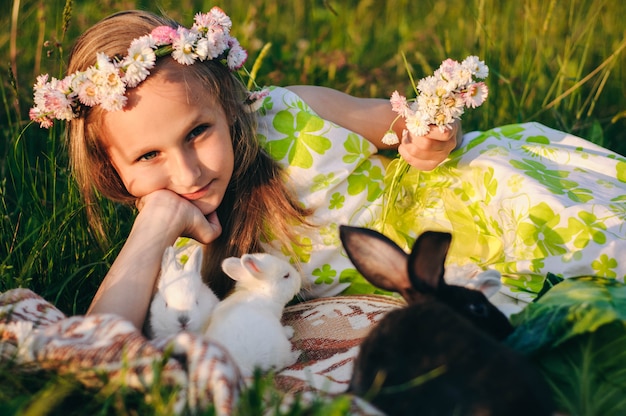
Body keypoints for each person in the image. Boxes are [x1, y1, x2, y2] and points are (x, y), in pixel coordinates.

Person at [30, 7, 626, 333]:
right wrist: (153, 227)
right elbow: (98, 337)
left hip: (448, 208)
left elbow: (398, 121)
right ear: (113, 169)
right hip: (417, 276)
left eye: (198, 133)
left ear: (227, 106)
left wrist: (426, 139)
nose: (187, 171)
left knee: (556, 221)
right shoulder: (177, 230)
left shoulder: (292, 114)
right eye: (148, 157)